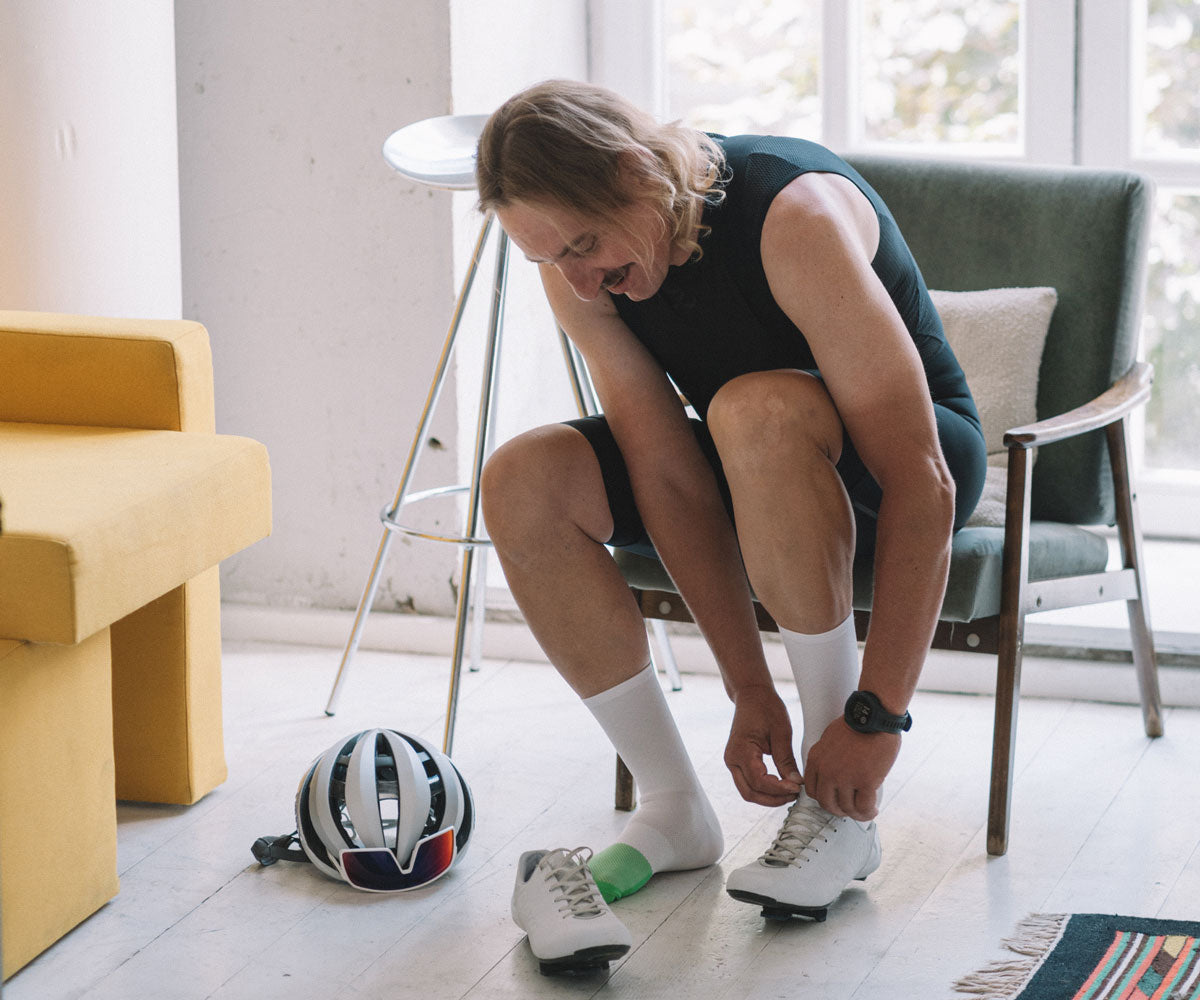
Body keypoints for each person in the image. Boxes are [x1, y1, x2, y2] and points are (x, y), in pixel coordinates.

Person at [475, 80, 987, 923]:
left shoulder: (793, 216)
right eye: (550, 260)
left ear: (637, 171)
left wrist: (875, 720)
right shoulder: (582, 279)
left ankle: (837, 810)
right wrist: (747, 686)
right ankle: (672, 807)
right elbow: (670, 478)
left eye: (584, 244)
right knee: (523, 478)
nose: (580, 282)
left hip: (907, 462)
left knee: (754, 408)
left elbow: (921, 480)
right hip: (749, 452)